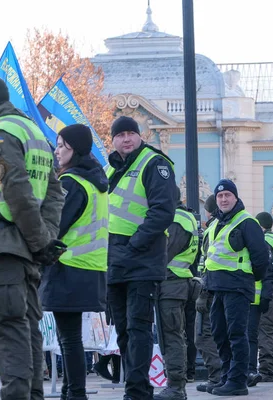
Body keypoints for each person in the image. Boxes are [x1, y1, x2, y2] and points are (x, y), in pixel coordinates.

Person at [0, 76, 64, 400]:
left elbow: (17, 192)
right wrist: (46, 237)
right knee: (27, 327)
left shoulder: (1, 132)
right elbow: (55, 193)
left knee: (9, 328)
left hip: (6, 243)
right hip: (28, 246)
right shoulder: (36, 133)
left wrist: (40, 239)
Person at [106, 116, 177, 400]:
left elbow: (163, 211)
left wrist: (134, 245)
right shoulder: (111, 168)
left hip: (142, 259)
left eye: (130, 133)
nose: (126, 139)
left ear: (139, 136)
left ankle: (136, 391)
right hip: (115, 259)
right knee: (122, 330)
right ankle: (138, 386)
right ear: (112, 140)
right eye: (120, 134)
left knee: (138, 327)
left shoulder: (153, 163)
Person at [39, 124, 108, 400]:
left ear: (75, 149)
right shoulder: (95, 181)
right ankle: (71, 391)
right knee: (70, 338)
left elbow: (56, 226)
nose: (56, 151)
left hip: (68, 267)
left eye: (61, 146)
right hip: (88, 268)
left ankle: (75, 394)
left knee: (69, 339)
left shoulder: (72, 182)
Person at [205, 179, 269, 396]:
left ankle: (238, 381)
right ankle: (226, 377)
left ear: (235, 197)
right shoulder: (216, 223)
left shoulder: (246, 222)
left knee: (236, 334)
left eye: (227, 195)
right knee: (220, 334)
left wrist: (250, 278)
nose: (223, 199)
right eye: (220, 196)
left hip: (237, 286)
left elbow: (261, 258)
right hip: (217, 286)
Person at [154, 187, 200, 400]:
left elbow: (163, 252)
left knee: (171, 336)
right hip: (177, 283)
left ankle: (175, 386)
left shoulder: (177, 218)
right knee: (175, 335)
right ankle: (175, 384)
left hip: (171, 283)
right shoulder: (186, 217)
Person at [249, 212, 273, 385]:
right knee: (271, 331)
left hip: (267, 289)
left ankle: (267, 370)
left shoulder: (265, 241)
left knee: (265, 332)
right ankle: (270, 368)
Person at [195, 195, 222, 393]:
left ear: (208, 211)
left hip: (210, 289)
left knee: (203, 337)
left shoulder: (211, 230)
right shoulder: (225, 225)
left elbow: (208, 265)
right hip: (224, 289)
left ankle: (216, 377)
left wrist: (203, 293)